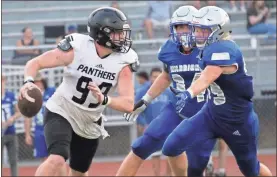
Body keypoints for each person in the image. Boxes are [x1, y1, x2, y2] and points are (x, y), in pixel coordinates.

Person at [18, 7, 139, 176]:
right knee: (56, 159)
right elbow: (35, 63)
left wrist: (105, 99)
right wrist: (28, 82)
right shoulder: (77, 48)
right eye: (117, 33)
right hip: (62, 109)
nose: (122, 37)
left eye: (122, 32)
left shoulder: (125, 60)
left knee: (79, 172)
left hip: (90, 120)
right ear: (101, 34)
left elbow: (128, 104)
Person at [162, 6, 272, 177]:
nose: (197, 34)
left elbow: (208, 75)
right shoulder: (208, 47)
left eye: (203, 31)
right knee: (171, 147)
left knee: (251, 170)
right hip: (211, 115)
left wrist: (188, 93)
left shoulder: (225, 48)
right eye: (196, 29)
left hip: (237, 121)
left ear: (219, 31)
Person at [116, 6, 210, 176]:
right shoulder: (169, 48)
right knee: (142, 145)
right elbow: (166, 76)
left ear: (196, 27)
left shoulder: (210, 48)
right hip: (177, 110)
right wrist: (145, 100)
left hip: (204, 114)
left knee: (198, 166)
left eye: (186, 26)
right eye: (178, 27)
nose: (182, 32)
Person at [133, 67, 174, 176]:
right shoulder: (142, 91)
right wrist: (142, 123)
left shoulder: (169, 91)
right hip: (152, 127)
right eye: (154, 76)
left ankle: (169, 175)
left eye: (158, 76)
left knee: (171, 152)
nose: (156, 79)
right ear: (150, 77)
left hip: (168, 127)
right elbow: (137, 109)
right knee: (155, 154)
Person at [24, 73, 67, 176]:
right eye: (36, 82)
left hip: (53, 129)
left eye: (40, 81)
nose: (38, 84)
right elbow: (28, 116)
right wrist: (27, 133)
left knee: (59, 157)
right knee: (44, 159)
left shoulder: (51, 91)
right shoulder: (31, 96)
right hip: (39, 130)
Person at [2, 75, 22, 176]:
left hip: (11, 132)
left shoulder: (10, 95)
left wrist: (12, 118)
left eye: (2, 81)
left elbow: (19, 112)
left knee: (13, 161)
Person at [135, 71, 149, 136]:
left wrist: (141, 122)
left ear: (143, 78)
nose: (138, 80)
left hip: (144, 121)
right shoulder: (149, 87)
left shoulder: (142, 89)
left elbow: (138, 106)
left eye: (139, 78)